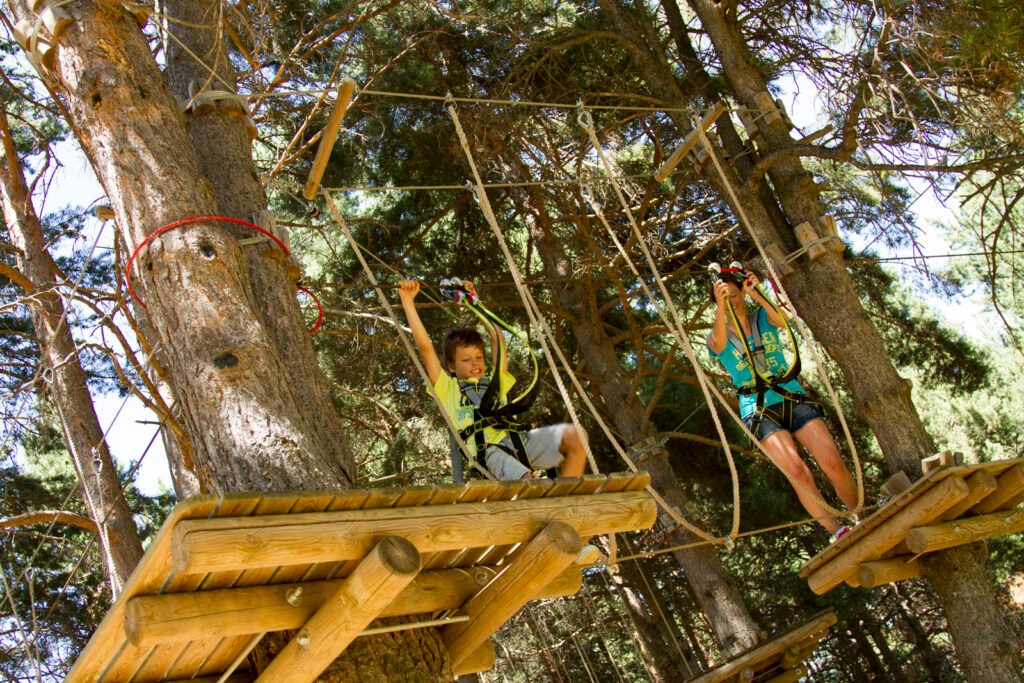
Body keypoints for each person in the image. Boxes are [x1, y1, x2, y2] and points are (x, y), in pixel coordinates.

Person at [707, 266, 858, 539]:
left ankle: (861, 513)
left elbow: (783, 319)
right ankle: (837, 531)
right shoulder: (718, 334)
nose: (732, 302)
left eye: (735, 296)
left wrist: (756, 293)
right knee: (798, 473)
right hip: (759, 409)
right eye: (725, 299)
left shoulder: (762, 318)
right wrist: (720, 306)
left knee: (832, 461)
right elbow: (718, 344)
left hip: (790, 395)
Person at [398, 278, 587, 480]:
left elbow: (498, 338)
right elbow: (426, 349)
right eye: (466, 360)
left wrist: (473, 301)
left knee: (576, 436)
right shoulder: (447, 388)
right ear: (452, 366)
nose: (475, 363)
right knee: (525, 479)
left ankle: (568, 492)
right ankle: (533, 489)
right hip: (488, 453)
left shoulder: (495, 382)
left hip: (518, 442)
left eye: (479, 357)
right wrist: (408, 302)